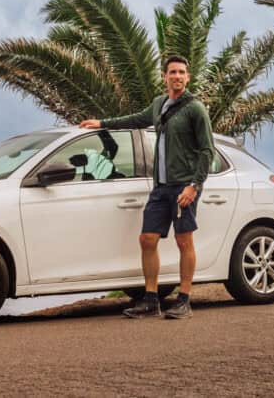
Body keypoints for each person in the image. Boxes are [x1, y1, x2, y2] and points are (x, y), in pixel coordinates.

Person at [79, 54, 214, 320]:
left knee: (183, 240)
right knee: (147, 239)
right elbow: (135, 120)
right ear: (164, 77)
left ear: (187, 77)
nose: (177, 76)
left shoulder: (195, 109)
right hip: (161, 187)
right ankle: (151, 300)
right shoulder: (158, 105)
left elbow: (207, 151)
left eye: (181, 72)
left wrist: (194, 186)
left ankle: (184, 300)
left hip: (183, 186)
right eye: (172, 72)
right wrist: (102, 124)